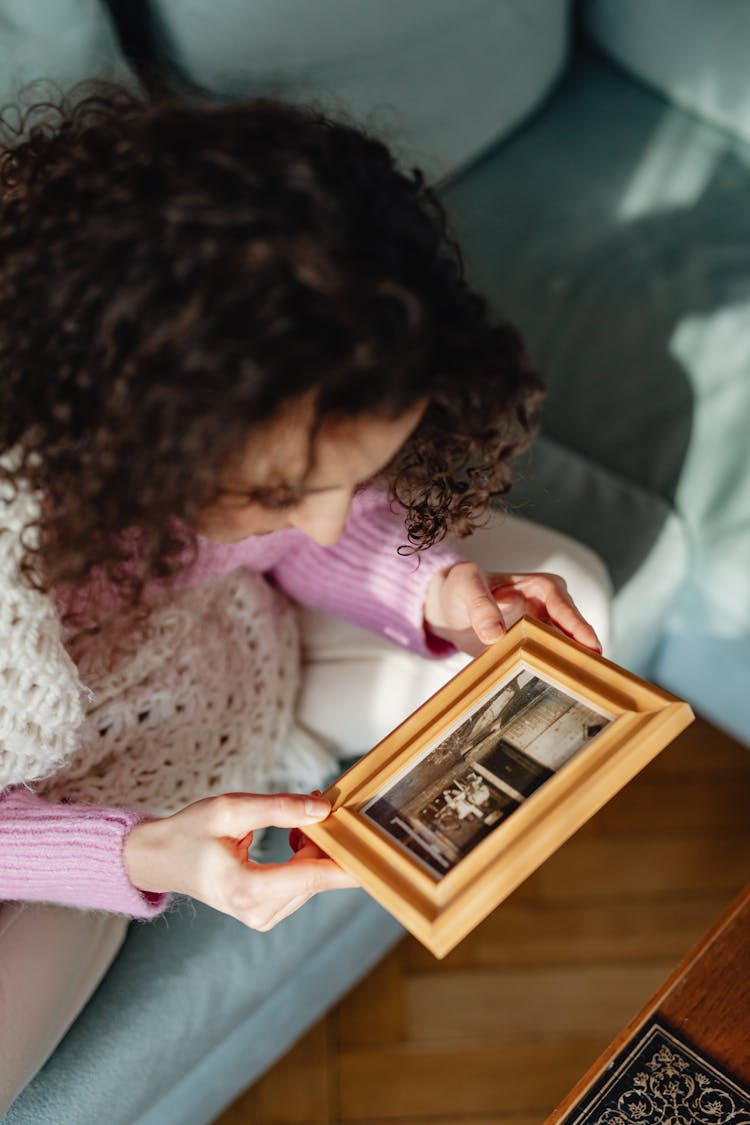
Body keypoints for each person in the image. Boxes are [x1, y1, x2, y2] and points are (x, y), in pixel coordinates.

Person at [0, 83, 610, 1109]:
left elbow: (319, 540)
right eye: (281, 491)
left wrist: (440, 590)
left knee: (562, 633)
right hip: (47, 789)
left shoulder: (266, 382)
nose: (324, 519)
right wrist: (138, 852)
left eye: (349, 474)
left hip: (221, 646)